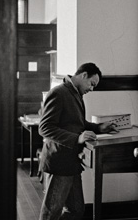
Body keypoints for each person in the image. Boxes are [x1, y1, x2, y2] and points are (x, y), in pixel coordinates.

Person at [38, 62, 118, 220]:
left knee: (76, 210)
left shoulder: (74, 94)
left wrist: (99, 128)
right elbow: (45, 128)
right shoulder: (59, 93)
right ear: (83, 75)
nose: (92, 89)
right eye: (92, 84)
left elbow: (77, 123)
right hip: (59, 162)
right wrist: (77, 138)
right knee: (51, 213)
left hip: (71, 163)